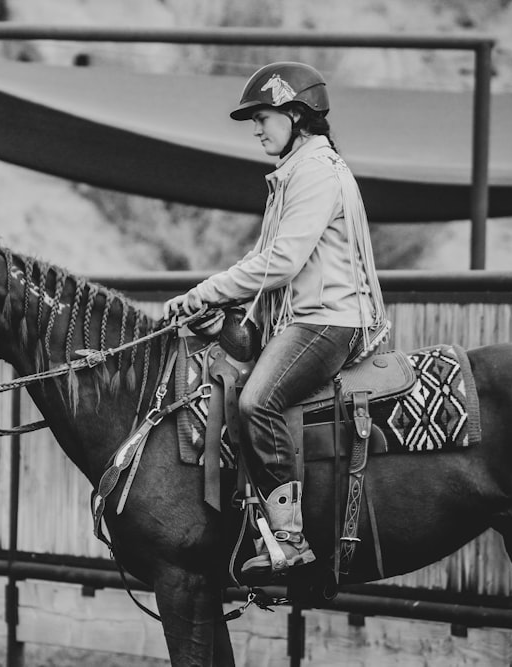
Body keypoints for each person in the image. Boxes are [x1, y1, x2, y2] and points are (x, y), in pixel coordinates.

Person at [163, 62, 389, 578]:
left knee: (257, 400)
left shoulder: (313, 172)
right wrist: (216, 309)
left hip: (328, 321)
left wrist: (205, 289)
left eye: (263, 117)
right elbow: (268, 262)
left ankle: (289, 538)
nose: (257, 129)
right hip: (306, 318)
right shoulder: (297, 174)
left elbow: (280, 261)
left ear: (296, 114)